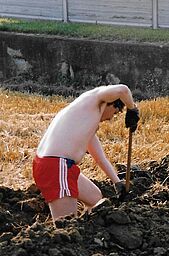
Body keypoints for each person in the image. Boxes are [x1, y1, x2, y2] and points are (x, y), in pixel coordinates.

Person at [32, 84, 140, 223]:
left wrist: (118, 183)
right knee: (66, 227)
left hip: (60, 166)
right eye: (115, 113)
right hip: (57, 167)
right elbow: (123, 90)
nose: (110, 119)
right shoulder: (95, 100)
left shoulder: (85, 119)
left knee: (95, 198)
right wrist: (132, 109)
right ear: (110, 103)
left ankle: (87, 234)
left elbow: (99, 158)